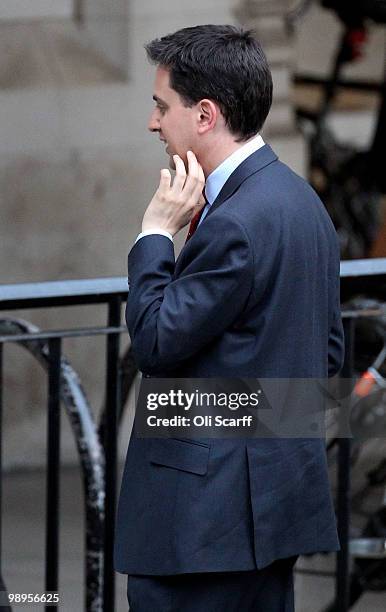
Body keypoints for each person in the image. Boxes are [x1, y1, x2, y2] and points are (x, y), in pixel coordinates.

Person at [114, 25, 345, 611]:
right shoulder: (300, 201)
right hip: (269, 515)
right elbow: (327, 360)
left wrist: (155, 237)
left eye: (161, 107)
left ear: (205, 115)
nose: (152, 124)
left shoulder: (235, 222)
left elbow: (157, 343)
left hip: (202, 529)